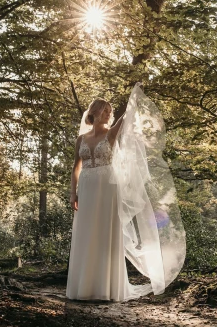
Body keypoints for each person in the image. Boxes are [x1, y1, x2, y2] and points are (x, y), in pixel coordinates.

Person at [66, 83, 186, 302]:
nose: (108, 114)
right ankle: (83, 286)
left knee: (105, 233)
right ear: (93, 112)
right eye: (104, 110)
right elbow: (76, 167)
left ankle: (106, 287)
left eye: (110, 112)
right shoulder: (80, 140)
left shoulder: (111, 134)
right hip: (86, 186)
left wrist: (134, 95)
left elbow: (127, 116)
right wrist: (73, 194)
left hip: (107, 186)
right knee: (86, 233)